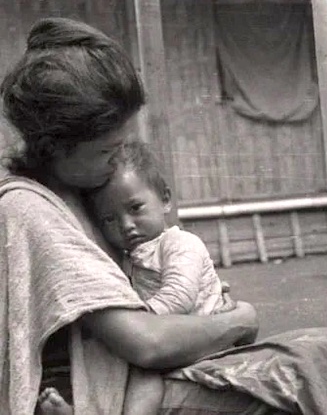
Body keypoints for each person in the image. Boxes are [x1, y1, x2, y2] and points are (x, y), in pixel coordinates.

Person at [0, 17, 327, 415]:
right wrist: (240, 320)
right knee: (310, 371)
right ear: (55, 147)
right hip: (109, 392)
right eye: (106, 152)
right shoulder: (32, 210)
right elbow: (146, 342)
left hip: (142, 368)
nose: (117, 161)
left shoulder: (84, 192)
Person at [39, 141, 239, 415]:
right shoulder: (129, 257)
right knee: (111, 363)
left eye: (135, 208)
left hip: (198, 336)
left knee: (145, 375)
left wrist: (139, 324)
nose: (126, 225)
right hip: (168, 334)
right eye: (109, 219)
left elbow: (179, 297)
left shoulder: (179, 244)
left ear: (165, 199)